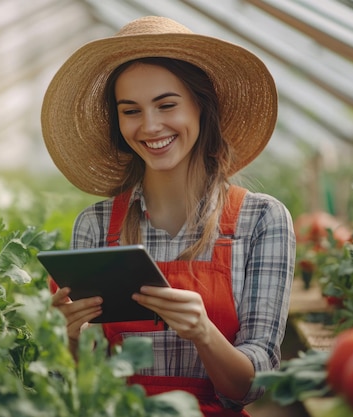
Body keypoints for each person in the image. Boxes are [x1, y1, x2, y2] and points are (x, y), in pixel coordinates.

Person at [40, 15, 295, 417]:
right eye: (131, 110)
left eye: (166, 104)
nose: (150, 125)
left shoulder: (262, 220)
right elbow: (77, 382)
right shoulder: (95, 225)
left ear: (201, 106)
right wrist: (68, 337)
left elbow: (251, 388)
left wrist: (203, 331)